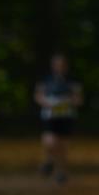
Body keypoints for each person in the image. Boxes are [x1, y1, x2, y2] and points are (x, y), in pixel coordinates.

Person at [34, 54, 83, 185]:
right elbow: (38, 96)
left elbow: (78, 98)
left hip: (66, 116)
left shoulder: (72, 80)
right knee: (50, 141)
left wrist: (69, 102)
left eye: (62, 64)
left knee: (63, 145)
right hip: (50, 116)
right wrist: (47, 103)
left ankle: (61, 171)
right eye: (57, 64)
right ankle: (49, 160)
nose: (59, 67)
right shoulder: (46, 79)